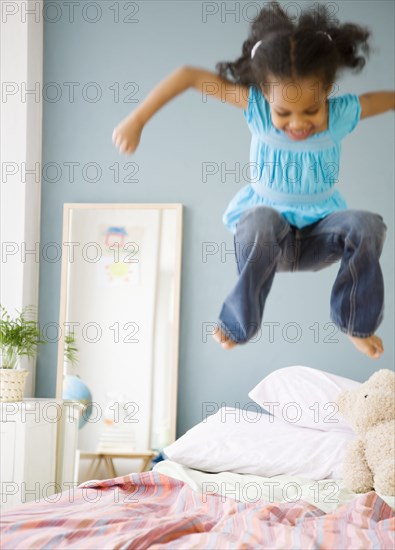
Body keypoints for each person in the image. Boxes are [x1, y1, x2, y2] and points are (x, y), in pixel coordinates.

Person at [112, 1, 394, 359]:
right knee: (261, 218)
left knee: (368, 225)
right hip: (264, 241)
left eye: (311, 110)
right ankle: (237, 322)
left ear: (327, 93)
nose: (297, 124)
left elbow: (386, 100)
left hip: (318, 238)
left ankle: (356, 322)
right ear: (265, 95)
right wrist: (137, 119)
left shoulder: (341, 116)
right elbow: (188, 75)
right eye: (283, 112)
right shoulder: (255, 109)